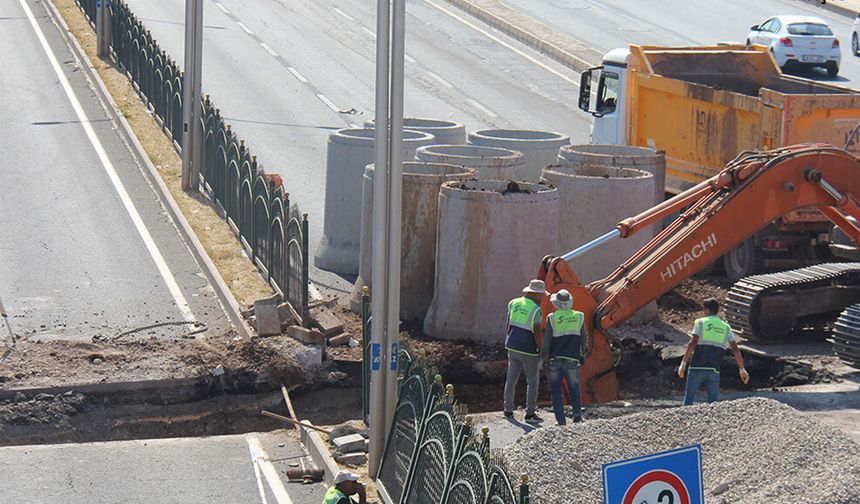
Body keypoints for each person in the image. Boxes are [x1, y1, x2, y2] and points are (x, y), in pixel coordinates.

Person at [678, 297, 749, 405]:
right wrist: (742, 369)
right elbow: (735, 349)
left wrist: (683, 364)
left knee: (689, 399)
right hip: (714, 370)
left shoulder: (700, 322)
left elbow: (692, 343)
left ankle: (685, 421)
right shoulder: (726, 327)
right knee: (714, 404)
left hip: (697, 367)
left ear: (706, 310)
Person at [503, 279, 546, 424]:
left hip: (512, 346)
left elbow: (508, 323)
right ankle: (530, 414)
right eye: (542, 295)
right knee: (533, 381)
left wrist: (509, 339)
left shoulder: (513, 303)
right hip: (528, 349)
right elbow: (537, 332)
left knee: (511, 380)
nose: (543, 297)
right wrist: (542, 349)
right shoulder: (536, 309)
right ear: (537, 294)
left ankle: (508, 411)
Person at [541, 289, 586, 425]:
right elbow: (584, 337)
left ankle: (561, 421)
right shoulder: (579, 316)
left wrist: (544, 357)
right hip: (572, 358)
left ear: (557, 303)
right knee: (574, 388)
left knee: (555, 391)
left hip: (555, 360)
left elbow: (547, 341)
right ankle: (577, 416)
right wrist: (582, 354)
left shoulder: (552, 318)